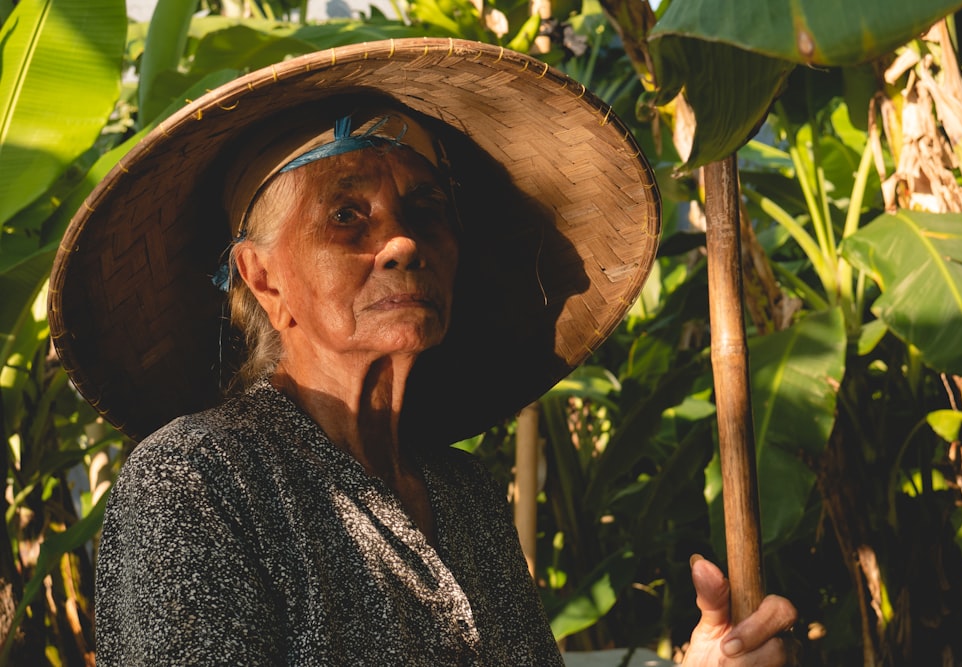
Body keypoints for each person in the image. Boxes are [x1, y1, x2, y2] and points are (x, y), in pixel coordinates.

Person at [49, 38, 795, 665]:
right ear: (262, 277)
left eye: (427, 208)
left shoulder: (464, 494)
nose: (403, 241)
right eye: (348, 215)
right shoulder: (199, 482)